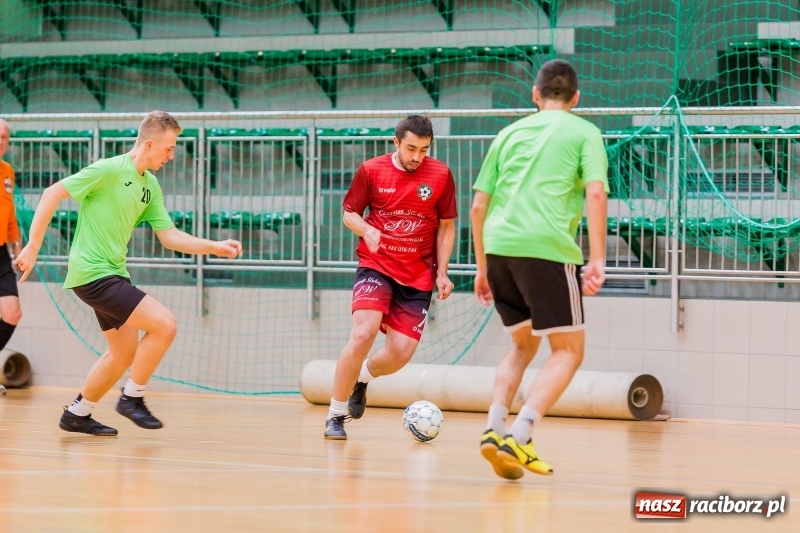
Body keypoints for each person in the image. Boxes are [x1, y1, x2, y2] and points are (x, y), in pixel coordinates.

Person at [14, 110, 242, 435]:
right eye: (169, 148)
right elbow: (52, 193)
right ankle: (132, 397)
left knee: (122, 354)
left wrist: (214, 247)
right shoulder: (108, 169)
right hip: (92, 273)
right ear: (149, 144)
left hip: (113, 274)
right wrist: (33, 246)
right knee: (165, 325)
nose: (171, 155)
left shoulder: (150, 185)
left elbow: (169, 236)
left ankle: (77, 413)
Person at [471, 59, 609, 479]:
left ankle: (494, 429)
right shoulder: (585, 132)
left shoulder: (508, 134)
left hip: (498, 247)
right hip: (545, 248)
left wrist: (481, 267)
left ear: (535, 94)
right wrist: (597, 258)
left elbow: (478, 206)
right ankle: (521, 434)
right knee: (568, 351)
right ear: (576, 98)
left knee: (522, 346)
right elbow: (596, 194)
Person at [324, 115, 458, 440]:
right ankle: (335, 415)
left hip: (418, 275)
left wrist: (443, 272)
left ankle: (362, 379)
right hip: (377, 265)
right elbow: (349, 214)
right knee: (363, 333)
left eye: (424, 149)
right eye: (411, 148)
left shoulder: (440, 175)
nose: (417, 156)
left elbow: (447, 226)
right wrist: (366, 229)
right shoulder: (371, 170)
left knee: (400, 354)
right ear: (396, 142)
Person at [0, 119, 23, 396]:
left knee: (12, 312)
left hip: (1, 252)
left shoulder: (7, 171)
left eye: (4, 137)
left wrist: (17, 245)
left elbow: (9, 213)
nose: (0, 141)